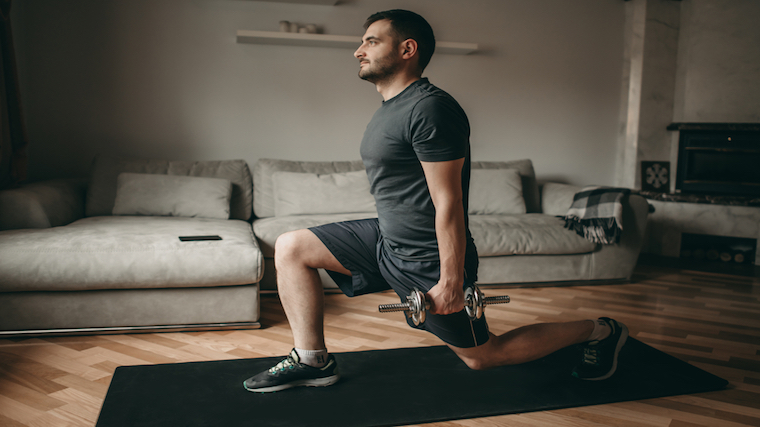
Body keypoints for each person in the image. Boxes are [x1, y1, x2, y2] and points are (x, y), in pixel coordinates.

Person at [243, 9, 628, 393]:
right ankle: (312, 360)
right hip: (385, 240)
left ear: (407, 48)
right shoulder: (391, 107)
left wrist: (451, 280)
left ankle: (601, 331)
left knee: (483, 356)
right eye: (362, 42)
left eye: (371, 41)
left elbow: (449, 202)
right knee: (292, 246)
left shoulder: (430, 108)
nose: (358, 51)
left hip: (425, 254)